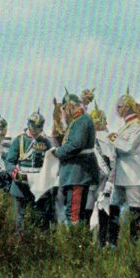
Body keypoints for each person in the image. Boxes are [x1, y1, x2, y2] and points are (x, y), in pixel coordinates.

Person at [108, 90, 140, 244]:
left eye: (120, 106)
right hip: (121, 170)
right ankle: (112, 242)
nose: (117, 109)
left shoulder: (137, 126)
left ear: (127, 107)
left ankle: (134, 242)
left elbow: (129, 147)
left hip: (134, 171)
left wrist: (114, 139)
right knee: (114, 205)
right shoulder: (126, 126)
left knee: (135, 206)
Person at [51, 92, 99, 227]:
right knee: (76, 213)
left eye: (64, 109)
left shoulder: (82, 120)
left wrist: (58, 153)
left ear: (70, 106)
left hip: (77, 173)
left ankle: (74, 245)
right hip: (75, 173)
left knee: (74, 214)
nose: (64, 113)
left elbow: (76, 145)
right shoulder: (78, 121)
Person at [4, 110, 55, 232]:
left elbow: (50, 164)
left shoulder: (46, 142)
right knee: (19, 220)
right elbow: (9, 162)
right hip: (21, 186)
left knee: (39, 220)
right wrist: (16, 175)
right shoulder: (19, 140)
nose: (35, 130)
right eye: (33, 126)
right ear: (28, 124)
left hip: (38, 186)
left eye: (38, 127)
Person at [88, 103, 116, 247]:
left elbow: (114, 162)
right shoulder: (87, 138)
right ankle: (93, 243)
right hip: (93, 181)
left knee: (101, 211)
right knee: (94, 212)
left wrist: (110, 183)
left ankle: (100, 242)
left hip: (102, 181)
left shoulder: (109, 138)